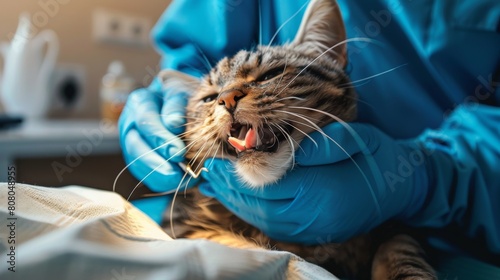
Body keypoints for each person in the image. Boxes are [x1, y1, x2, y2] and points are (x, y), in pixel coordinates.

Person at [119, 0, 500, 258]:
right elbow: (193, 49)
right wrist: (176, 93)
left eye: (267, 76)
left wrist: (430, 179)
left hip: (459, 238)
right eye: (215, 98)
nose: (229, 99)